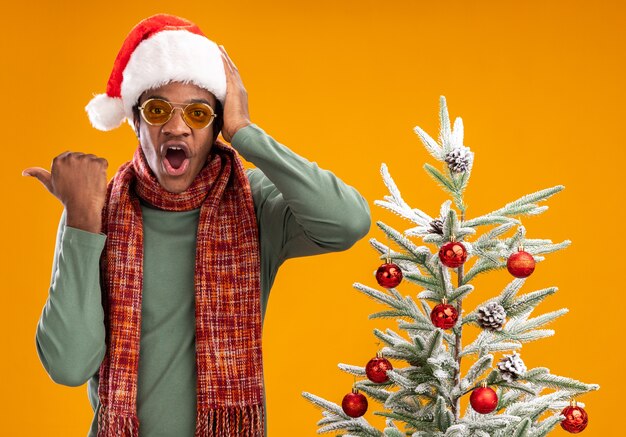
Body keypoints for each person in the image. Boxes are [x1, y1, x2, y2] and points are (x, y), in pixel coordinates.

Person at [23, 14, 370, 437]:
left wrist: (245, 132)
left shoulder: (253, 202)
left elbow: (347, 222)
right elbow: (69, 365)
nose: (176, 126)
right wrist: (80, 221)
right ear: (135, 121)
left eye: (198, 112)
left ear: (216, 125)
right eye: (157, 109)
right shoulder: (93, 210)